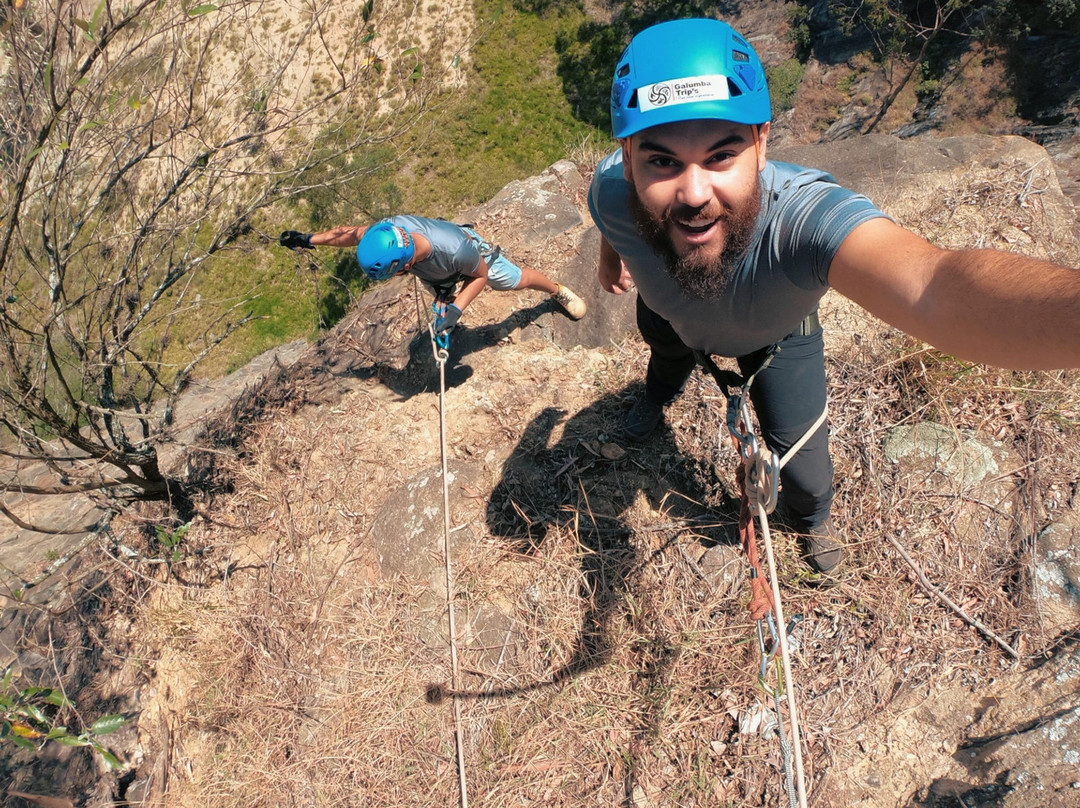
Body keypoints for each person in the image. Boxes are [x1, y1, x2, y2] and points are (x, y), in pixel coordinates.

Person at [589, 18, 1080, 573]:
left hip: (776, 340)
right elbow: (612, 218)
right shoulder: (611, 190)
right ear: (627, 157)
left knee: (806, 472)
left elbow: (931, 284)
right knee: (664, 366)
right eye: (662, 161)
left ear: (761, 142)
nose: (695, 193)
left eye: (721, 155)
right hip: (668, 317)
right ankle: (654, 402)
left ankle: (812, 519)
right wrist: (614, 258)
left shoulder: (802, 219)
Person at [280, 216, 586, 335]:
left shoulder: (456, 251)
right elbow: (348, 234)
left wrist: (456, 308)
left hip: (469, 256)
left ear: (401, 267)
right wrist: (308, 240)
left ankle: (556, 289)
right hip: (433, 268)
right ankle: (446, 307)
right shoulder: (387, 234)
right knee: (441, 295)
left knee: (514, 280)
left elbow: (479, 275)